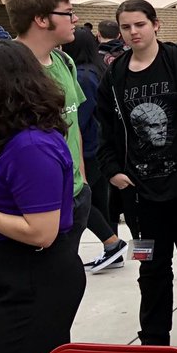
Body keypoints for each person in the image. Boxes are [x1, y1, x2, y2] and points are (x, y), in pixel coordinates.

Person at [0, 40, 84, 353]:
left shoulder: (30, 146)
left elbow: (41, 231)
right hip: (19, 279)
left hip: (35, 282)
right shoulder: (12, 140)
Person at [96, 0, 177, 346]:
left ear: (155, 25)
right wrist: (112, 170)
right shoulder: (115, 75)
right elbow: (103, 128)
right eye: (126, 27)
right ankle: (154, 341)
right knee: (150, 269)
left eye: (139, 24)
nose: (133, 32)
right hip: (140, 199)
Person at [7, 0, 92, 279]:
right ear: (42, 20)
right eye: (68, 12)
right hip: (31, 207)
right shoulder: (7, 71)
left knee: (62, 287)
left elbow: (74, 123)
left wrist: (81, 177)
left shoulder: (64, 60)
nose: (76, 19)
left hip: (76, 195)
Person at [61, 28, 127, 271]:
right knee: (99, 200)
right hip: (96, 146)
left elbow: (80, 117)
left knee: (82, 201)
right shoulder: (97, 69)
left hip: (88, 149)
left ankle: (112, 244)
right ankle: (112, 249)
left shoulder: (82, 75)